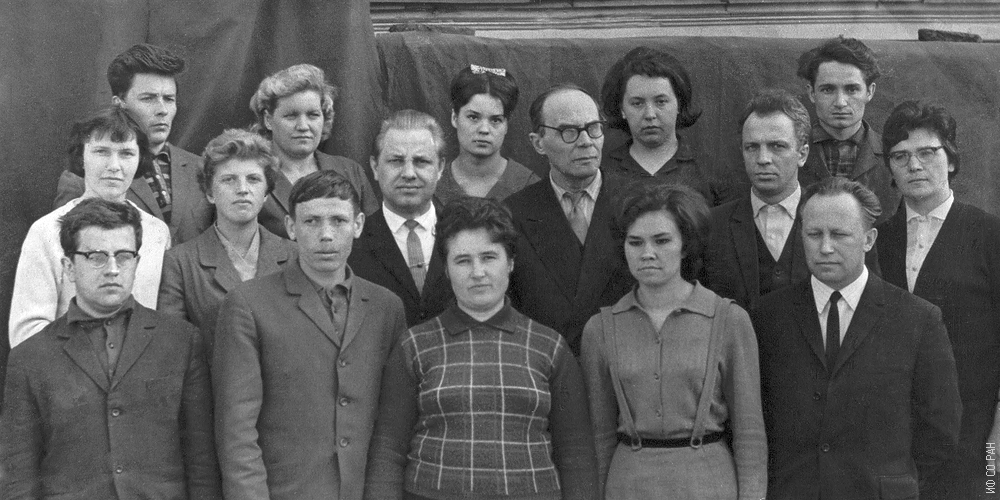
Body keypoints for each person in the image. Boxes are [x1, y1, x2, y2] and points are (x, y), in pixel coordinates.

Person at [364, 197, 596, 500]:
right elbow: (388, 450)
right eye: (463, 260)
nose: (477, 272)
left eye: (489, 257)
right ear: (446, 269)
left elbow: (576, 453)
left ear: (510, 263)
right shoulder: (414, 346)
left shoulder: (550, 347)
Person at [752, 176, 960, 499]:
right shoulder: (768, 316)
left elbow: (940, 432)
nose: (825, 248)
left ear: (868, 239)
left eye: (839, 235)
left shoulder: (917, 320)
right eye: (814, 234)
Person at [1, 198, 220, 499]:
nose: (113, 269)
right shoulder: (30, 358)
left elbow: (202, 462)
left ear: (137, 263)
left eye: (124, 256)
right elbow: (18, 478)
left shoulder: (181, 342)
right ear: (69, 267)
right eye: (96, 257)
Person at [213, 170, 406, 500]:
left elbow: (392, 426)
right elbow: (237, 430)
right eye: (311, 221)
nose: (326, 235)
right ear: (291, 227)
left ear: (358, 224)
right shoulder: (248, 304)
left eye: (338, 221)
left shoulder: (386, 307)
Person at [581, 183, 766, 500]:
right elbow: (600, 436)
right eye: (635, 242)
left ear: (685, 245)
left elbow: (749, 432)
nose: (647, 253)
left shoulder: (728, 320)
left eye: (662, 240)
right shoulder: (600, 328)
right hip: (628, 485)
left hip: (708, 484)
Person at [875, 101, 1000, 499]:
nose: (914, 165)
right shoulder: (877, 240)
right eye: (900, 156)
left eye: (927, 153)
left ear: (951, 159)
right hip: (895, 436)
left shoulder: (990, 235)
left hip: (976, 433)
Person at [10, 107, 171, 348]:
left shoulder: (156, 232)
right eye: (101, 152)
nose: (114, 165)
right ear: (82, 157)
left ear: (140, 159)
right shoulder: (46, 231)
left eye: (126, 153)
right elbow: (27, 333)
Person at [506, 84, 633, 354]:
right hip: (545, 363)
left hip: (623, 362)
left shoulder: (637, 204)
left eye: (594, 128)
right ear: (538, 143)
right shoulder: (513, 214)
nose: (586, 141)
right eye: (569, 132)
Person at [54, 43, 213, 244]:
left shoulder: (201, 168)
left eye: (169, 99)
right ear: (119, 103)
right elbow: (68, 249)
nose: (162, 110)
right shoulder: (83, 177)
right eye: (148, 98)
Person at [157, 129, 295, 351]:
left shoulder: (294, 256)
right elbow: (175, 347)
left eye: (253, 179)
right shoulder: (180, 263)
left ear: (266, 193)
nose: (242, 189)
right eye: (229, 180)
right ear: (210, 193)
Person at [703, 90, 811, 311]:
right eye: (752, 147)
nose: (763, 159)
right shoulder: (713, 225)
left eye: (777, 146)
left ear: (802, 154)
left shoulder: (829, 220)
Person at [348, 110, 454, 326]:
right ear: (375, 167)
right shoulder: (352, 242)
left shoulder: (463, 234)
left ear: (440, 168)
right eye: (396, 161)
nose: (408, 173)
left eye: (421, 161)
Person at [250, 63, 379, 238]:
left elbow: (374, 238)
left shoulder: (350, 171)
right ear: (268, 120)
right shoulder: (252, 174)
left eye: (313, 115)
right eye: (291, 116)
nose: (303, 126)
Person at [796, 36, 899, 223]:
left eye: (851, 90)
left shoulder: (893, 154)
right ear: (811, 93)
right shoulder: (791, 152)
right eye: (828, 90)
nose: (840, 102)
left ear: (869, 92)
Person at [599, 46, 714, 204]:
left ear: (679, 104)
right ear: (622, 109)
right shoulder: (603, 172)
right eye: (637, 103)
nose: (650, 114)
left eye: (661, 102)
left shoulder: (709, 171)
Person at [435, 64, 539, 204]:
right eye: (473, 117)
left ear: (506, 124)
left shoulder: (529, 186)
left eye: (495, 120)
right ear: (455, 118)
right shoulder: (433, 183)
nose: (484, 129)